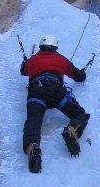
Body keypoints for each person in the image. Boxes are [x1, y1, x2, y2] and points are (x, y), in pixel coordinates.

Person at [21, 35, 90, 173]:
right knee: (79, 113)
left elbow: (23, 71)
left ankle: (32, 147)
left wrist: (26, 63)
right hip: (56, 90)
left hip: (36, 92)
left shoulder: (33, 60)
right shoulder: (61, 59)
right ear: (55, 47)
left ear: (41, 46)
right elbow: (78, 76)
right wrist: (82, 73)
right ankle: (72, 130)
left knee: (33, 122)